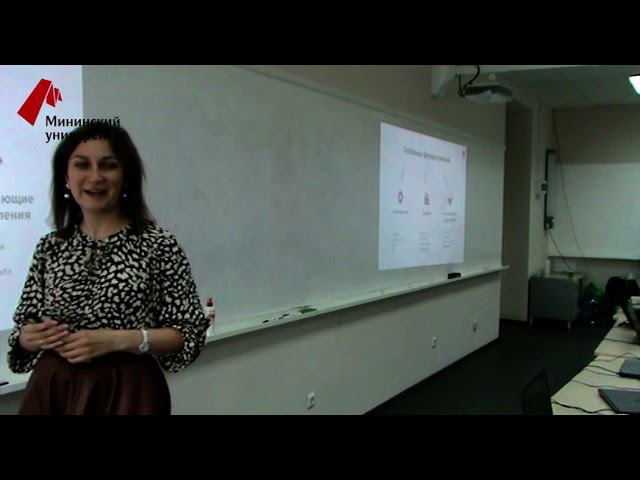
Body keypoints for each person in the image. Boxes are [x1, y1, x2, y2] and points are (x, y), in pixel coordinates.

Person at [7, 122, 209, 414]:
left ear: (126, 176)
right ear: (66, 177)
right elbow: (22, 330)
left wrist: (116, 339)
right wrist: (29, 338)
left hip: (128, 391)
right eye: (82, 165)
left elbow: (189, 332)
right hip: (55, 388)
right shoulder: (50, 246)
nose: (95, 176)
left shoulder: (158, 244)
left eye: (108, 165)